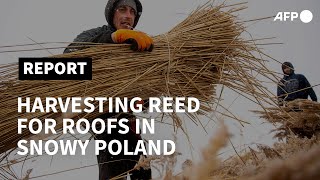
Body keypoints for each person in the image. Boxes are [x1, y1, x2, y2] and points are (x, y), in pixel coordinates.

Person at [64, 0, 153, 179]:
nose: (128, 16)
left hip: (129, 125)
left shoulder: (138, 45)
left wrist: (142, 100)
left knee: (143, 170)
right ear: (112, 14)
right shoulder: (96, 34)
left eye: (132, 12)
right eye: (122, 10)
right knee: (113, 168)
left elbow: (146, 90)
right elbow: (69, 57)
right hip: (104, 123)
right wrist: (112, 39)